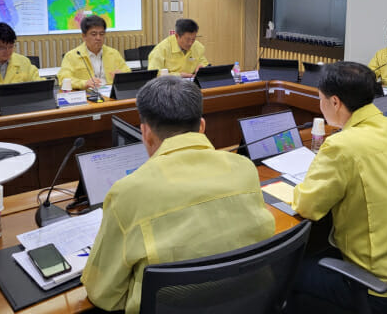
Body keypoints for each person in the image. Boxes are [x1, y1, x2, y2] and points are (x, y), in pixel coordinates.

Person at [81, 76, 275, 313]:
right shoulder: (244, 168)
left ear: (146, 133)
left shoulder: (127, 193)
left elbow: (103, 293)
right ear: (202, 126)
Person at [289, 62, 387, 313]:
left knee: (284, 272)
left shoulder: (342, 145)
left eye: (319, 98)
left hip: (374, 284)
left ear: (335, 103)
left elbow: (307, 206)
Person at [57, 15, 130, 90]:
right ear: (84, 36)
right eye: (94, 34)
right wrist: (84, 83)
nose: (98, 38)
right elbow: (63, 80)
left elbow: (128, 73)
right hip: (87, 96)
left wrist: (122, 76)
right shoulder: (72, 56)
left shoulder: (114, 53)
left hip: (111, 96)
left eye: (101, 34)